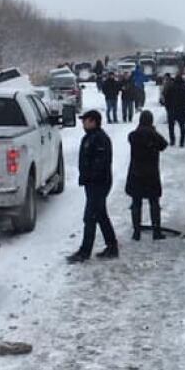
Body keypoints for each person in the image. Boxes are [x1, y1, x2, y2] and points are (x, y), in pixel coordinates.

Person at [68, 110, 118, 263]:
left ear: (94, 121)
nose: (83, 123)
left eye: (86, 121)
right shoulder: (90, 137)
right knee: (100, 215)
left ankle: (85, 251)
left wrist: (91, 177)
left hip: (99, 184)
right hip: (93, 184)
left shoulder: (99, 139)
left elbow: (100, 163)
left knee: (90, 217)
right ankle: (112, 247)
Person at [126, 110, 168, 241]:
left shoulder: (133, 135)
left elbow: (132, 138)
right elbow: (164, 145)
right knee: (154, 202)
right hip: (151, 174)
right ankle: (156, 231)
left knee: (136, 203)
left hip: (136, 173)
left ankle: (136, 232)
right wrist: (152, 132)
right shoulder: (154, 135)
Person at [164, 75, 185, 147]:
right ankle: (182, 142)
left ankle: (172, 140)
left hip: (172, 109)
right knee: (182, 127)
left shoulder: (171, 88)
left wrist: (167, 108)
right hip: (181, 110)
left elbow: (166, 98)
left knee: (171, 127)